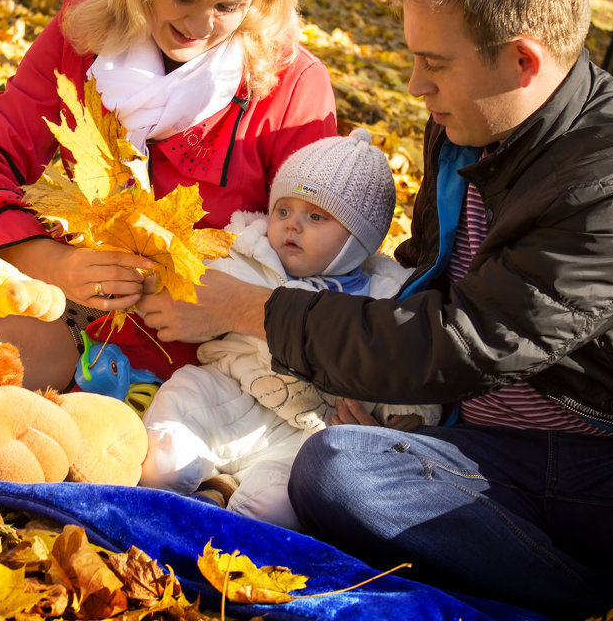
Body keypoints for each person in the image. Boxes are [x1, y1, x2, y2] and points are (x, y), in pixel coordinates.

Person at [137, 0, 613, 620]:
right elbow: (424, 281)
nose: (414, 87)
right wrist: (382, 401)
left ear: (522, 61)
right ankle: (583, 596)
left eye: (433, 65)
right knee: (334, 466)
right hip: (489, 461)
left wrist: (245, 306)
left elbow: (465, 341)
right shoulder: (466, 128)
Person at [0, 0, 337, 391]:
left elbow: (326, 253)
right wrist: (49, 261)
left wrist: (230, 308)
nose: (199, 26)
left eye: (228, 5)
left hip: (212, 366)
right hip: (66, 311)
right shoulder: (83, 32)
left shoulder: (294, 87)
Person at [139, 130, 439, 528]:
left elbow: (404, 362)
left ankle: (226, 496)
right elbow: (191, 300)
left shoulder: (385, 298)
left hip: (310, 426)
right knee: (167, 449)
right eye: (283, 211)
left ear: (358, 240)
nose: (291, 226)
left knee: (271, 507)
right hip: (231, 388)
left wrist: (410, 419)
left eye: (316, 216)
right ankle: (180, 472)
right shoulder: (246, 252)